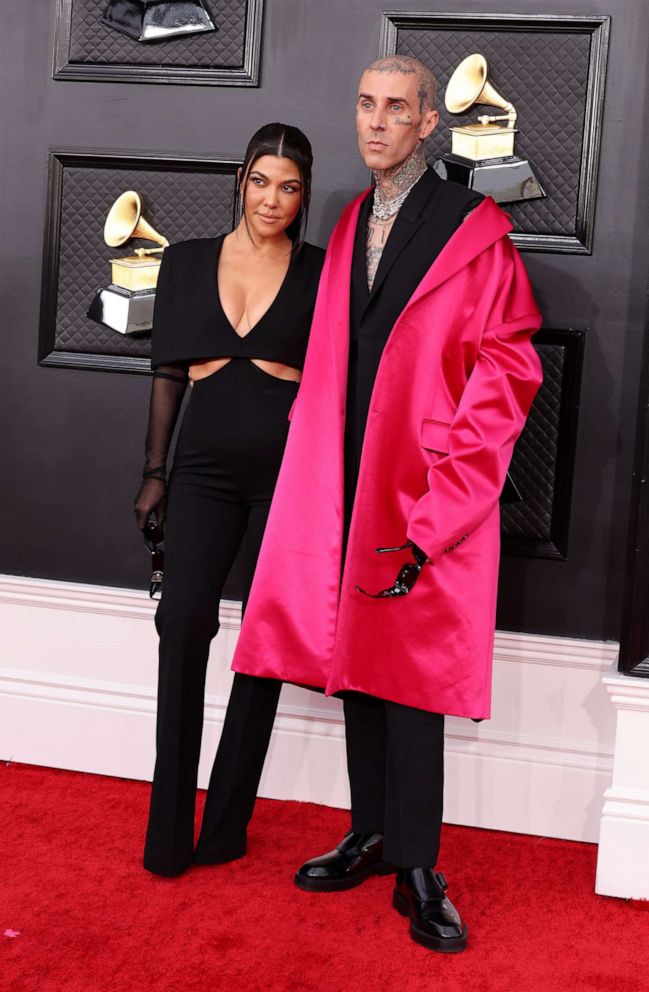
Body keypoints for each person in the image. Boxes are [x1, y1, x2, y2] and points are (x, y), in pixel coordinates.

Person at [230, 58, 543, 952]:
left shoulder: (472, 230)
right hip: (343, 480)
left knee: (409, 680)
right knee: (353, 658)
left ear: (426, 127)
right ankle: (371, 833)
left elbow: (508, 364)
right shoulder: (350, 216)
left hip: (420, 483)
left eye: (395, 108)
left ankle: (417, 865)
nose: (375, 123)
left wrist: (448, 480)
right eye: (364, 105)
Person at [134, 123, 325, 877]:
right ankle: (168, 830)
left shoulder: (321, 271)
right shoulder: (183, 262)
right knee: (181, 624)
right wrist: (155, 472)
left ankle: (227, 824)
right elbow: (167, 374)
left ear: (302, 194)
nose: (271, 199)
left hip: (287, 474)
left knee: (263, 644)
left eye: (288, 186)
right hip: (203, 470)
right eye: (259, 181)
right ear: (240, 179)